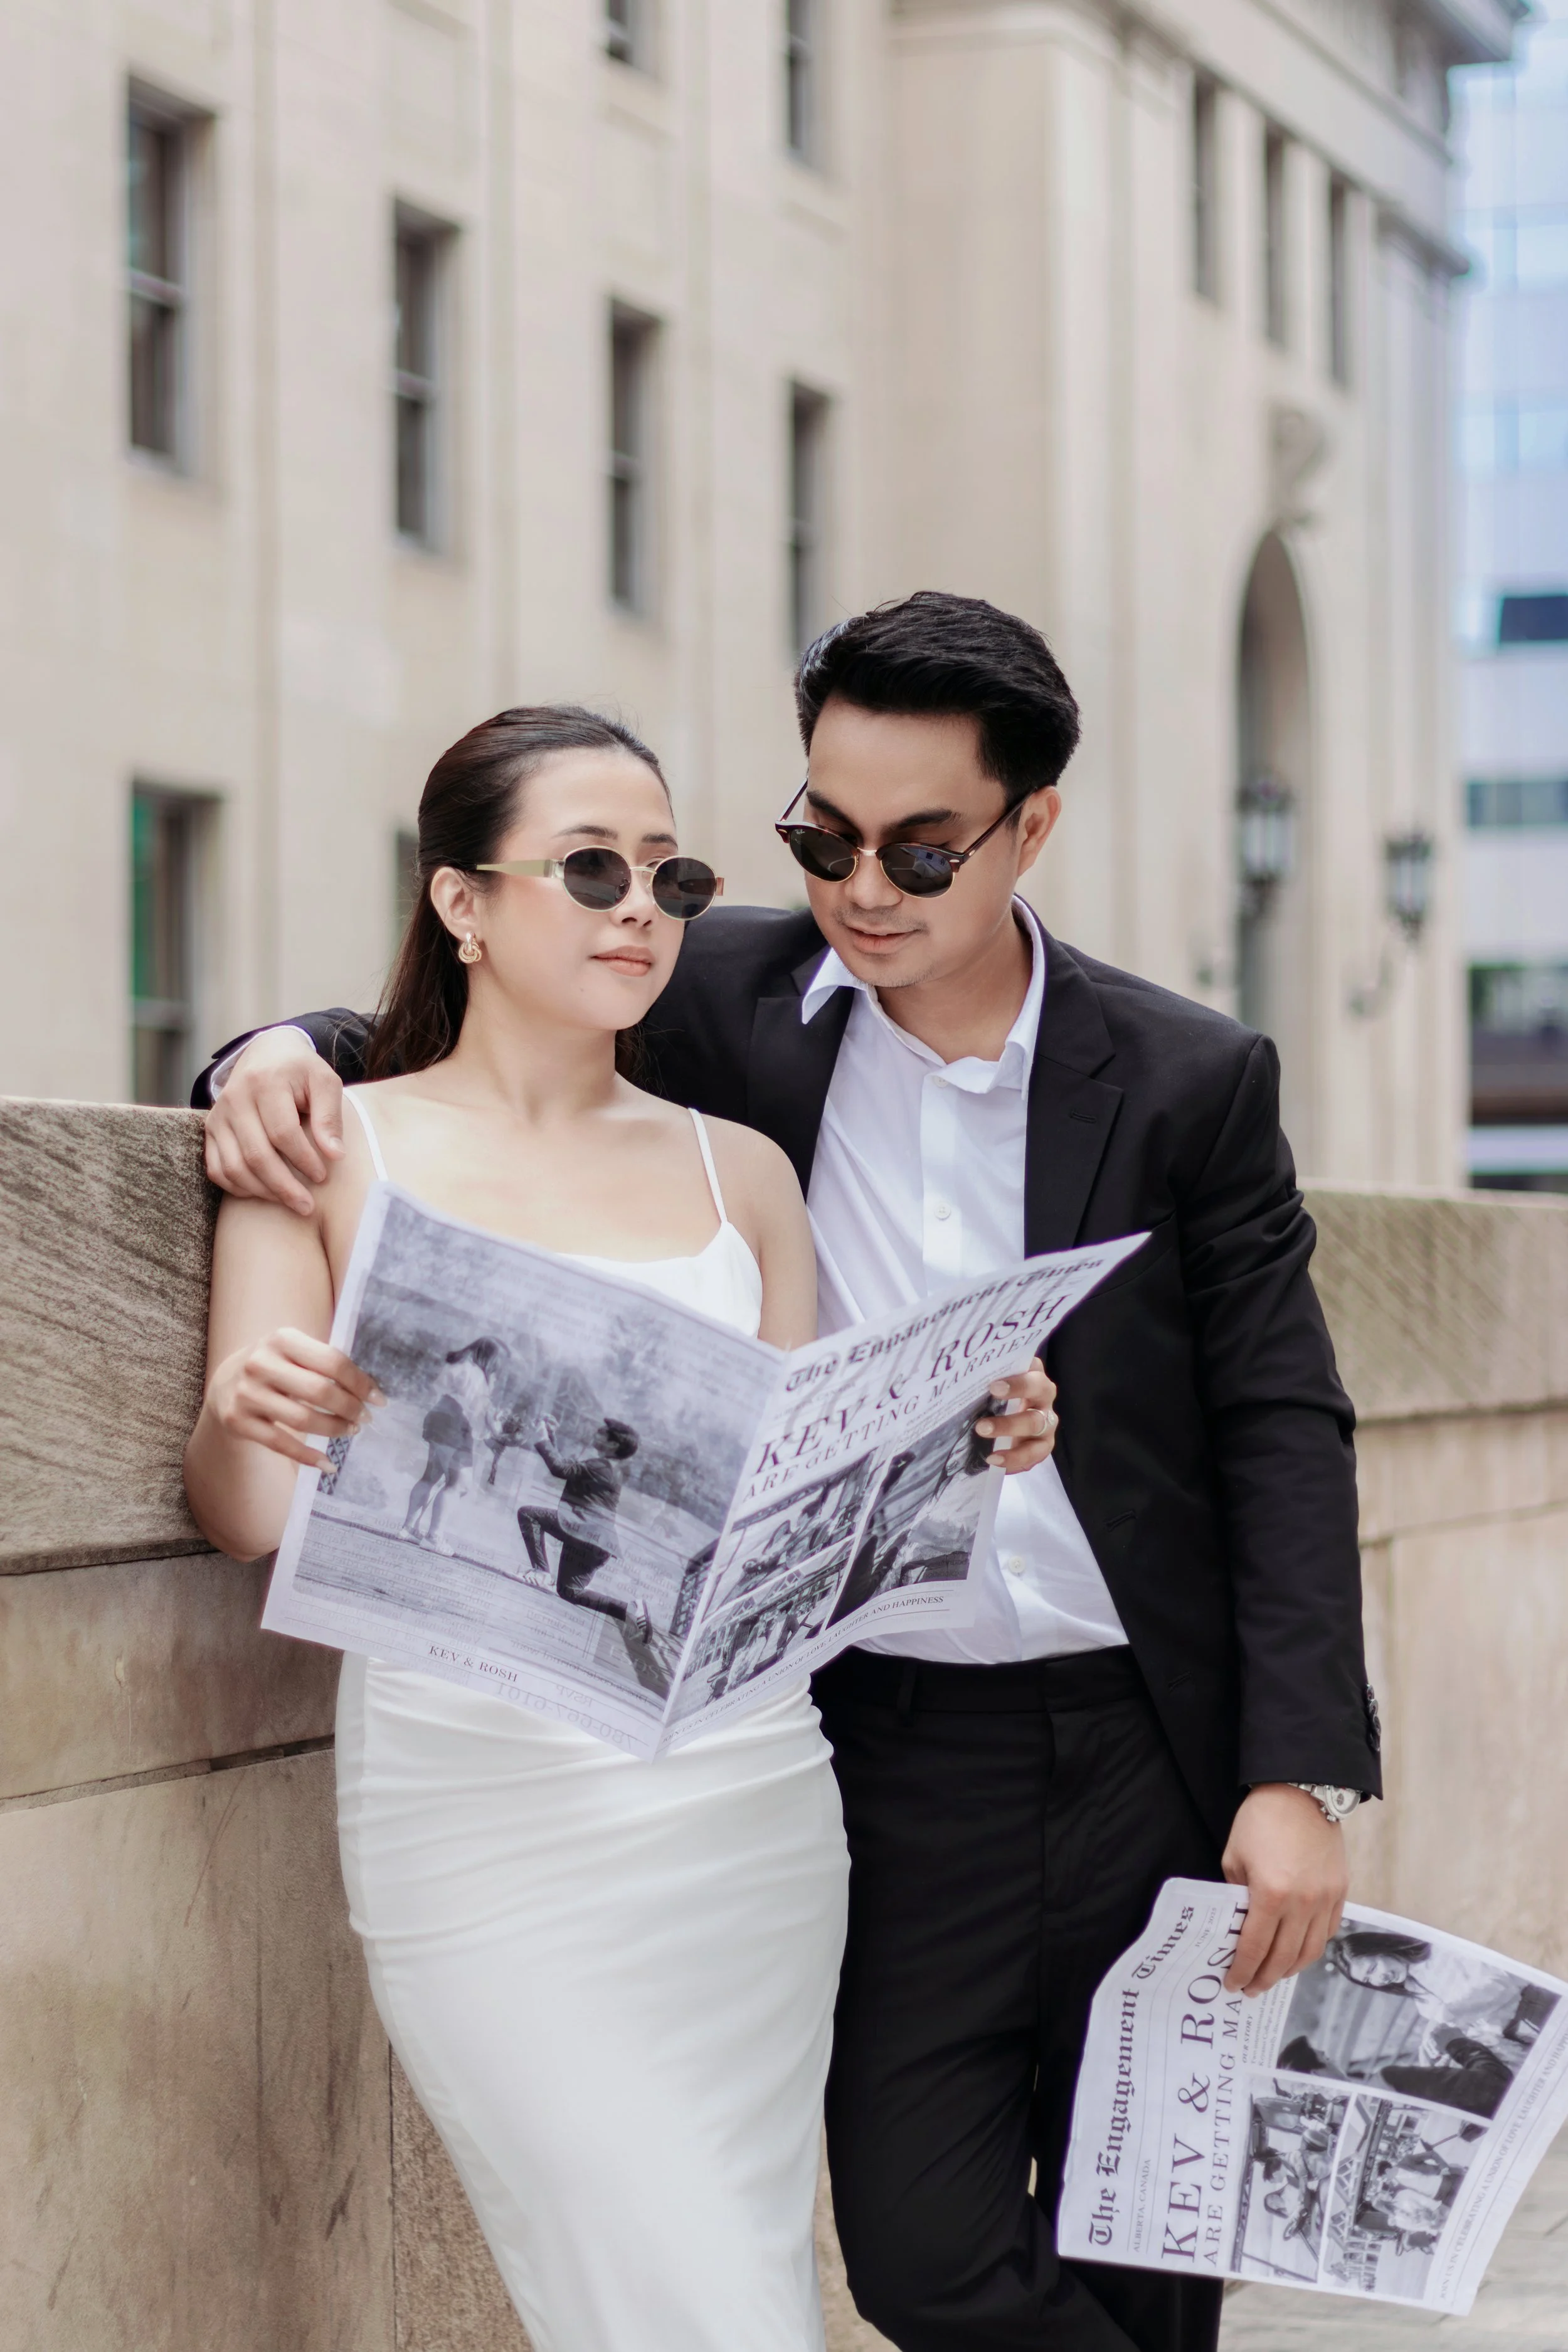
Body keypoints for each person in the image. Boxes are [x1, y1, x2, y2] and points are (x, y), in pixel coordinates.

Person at [193, 593, 1382, 2352]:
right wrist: (260, 1056)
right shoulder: (716, 986)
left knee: (1142, 2240)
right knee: (913, 2249)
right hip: (879, 1740)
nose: (862, 888)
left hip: (1150, 1729)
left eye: (920, 847)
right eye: (823, 837)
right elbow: (452, 1022)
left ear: (1029, 827)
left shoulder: (1190, 1077)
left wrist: (1298, 1770)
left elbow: (1281, 1418)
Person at [183, 704, 1057, 2352]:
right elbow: (244, 1523)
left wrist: (967, 1441)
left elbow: (794, 1507)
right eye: (591, 868)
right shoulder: (327, 1146)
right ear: (461, 900)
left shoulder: (743, 1176)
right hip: (473, 1808)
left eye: (672, 875)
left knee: (728, 2275)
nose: (641, 908)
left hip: (740, 1806)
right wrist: (246, 1411)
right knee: (652, 2273)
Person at [516, 1411, 638, 1613]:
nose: (596, 1434)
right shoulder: (610, 1468)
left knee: (528, 1515)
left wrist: (542, 1438)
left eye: (602, 1432)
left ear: (613, 1444)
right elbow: (566, 1467)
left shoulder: (601, 1466)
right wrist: (550, 1436)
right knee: (570, 1592)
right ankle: (631, 1611)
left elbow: (559, 1469)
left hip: (584, 1531)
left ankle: (541, 1572)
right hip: (599, 1544)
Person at [403, 1335, 507, 1550]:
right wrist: (496, 1426)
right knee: (459, 1483)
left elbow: (436, 1391)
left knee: (431, 1476)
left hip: (438, 1419)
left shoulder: (457, 1366)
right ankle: (434, 1537)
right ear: (491, 1360)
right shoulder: (479, 1377)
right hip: (455, 1426)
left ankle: (409, 1528)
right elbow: (480, 1413)